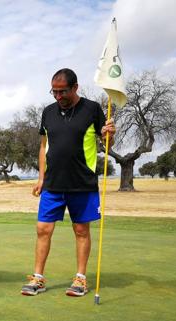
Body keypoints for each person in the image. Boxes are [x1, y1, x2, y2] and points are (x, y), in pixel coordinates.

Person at [21, 68, 116, 297]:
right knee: (43, 229)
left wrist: (109, 134)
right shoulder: (48, 112)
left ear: (75, 88)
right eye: (54, 92)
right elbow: (43, 146)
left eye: (62, 91)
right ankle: (38, 278)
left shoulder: (92, 109)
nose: (58, 96)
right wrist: (41, 177)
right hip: (53, 183)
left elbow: (106, 144)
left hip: (82, 182)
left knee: (81, 230)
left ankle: (81, 279)